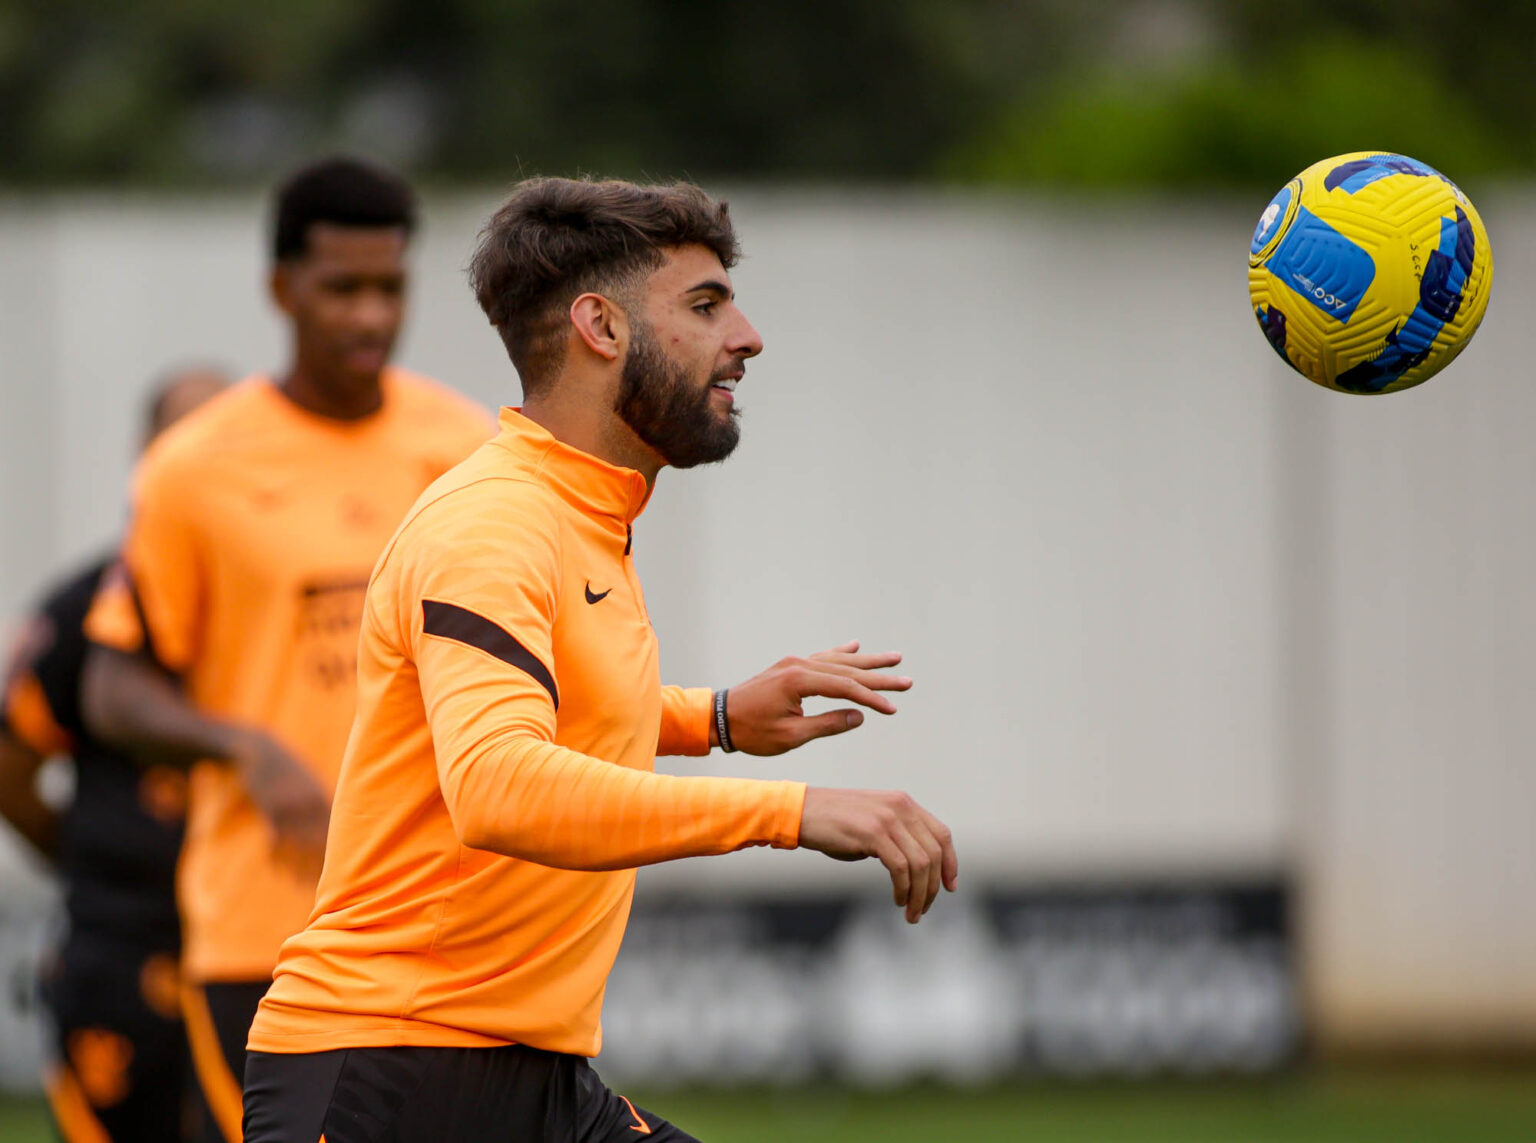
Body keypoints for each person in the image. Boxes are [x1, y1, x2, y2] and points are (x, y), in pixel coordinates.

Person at [242, 176, 958, 1143]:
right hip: (388, 1073)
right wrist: (793, 813)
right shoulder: (493, 523)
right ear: (601, 327)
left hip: (527, 1077)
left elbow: (559, 700)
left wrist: (714, 719)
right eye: (705, 305)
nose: (746, 335)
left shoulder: (581, 511)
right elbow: (497, 783)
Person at [80, 158, 493, 1143]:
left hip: (442, 924)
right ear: (281, 290)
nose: (368, 317)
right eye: (340, 288)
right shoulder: (194, 469)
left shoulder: (466, 446)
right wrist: (249, 750)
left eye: (388, 288)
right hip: (265, 937)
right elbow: (112, 686)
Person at [0, 364, 228, 1142]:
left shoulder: (280, 605)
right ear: (146, 457)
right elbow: (11, 765)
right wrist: (95, 852)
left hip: (259, 948)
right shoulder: (84, 608)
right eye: (183, 441)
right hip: (123, 959)